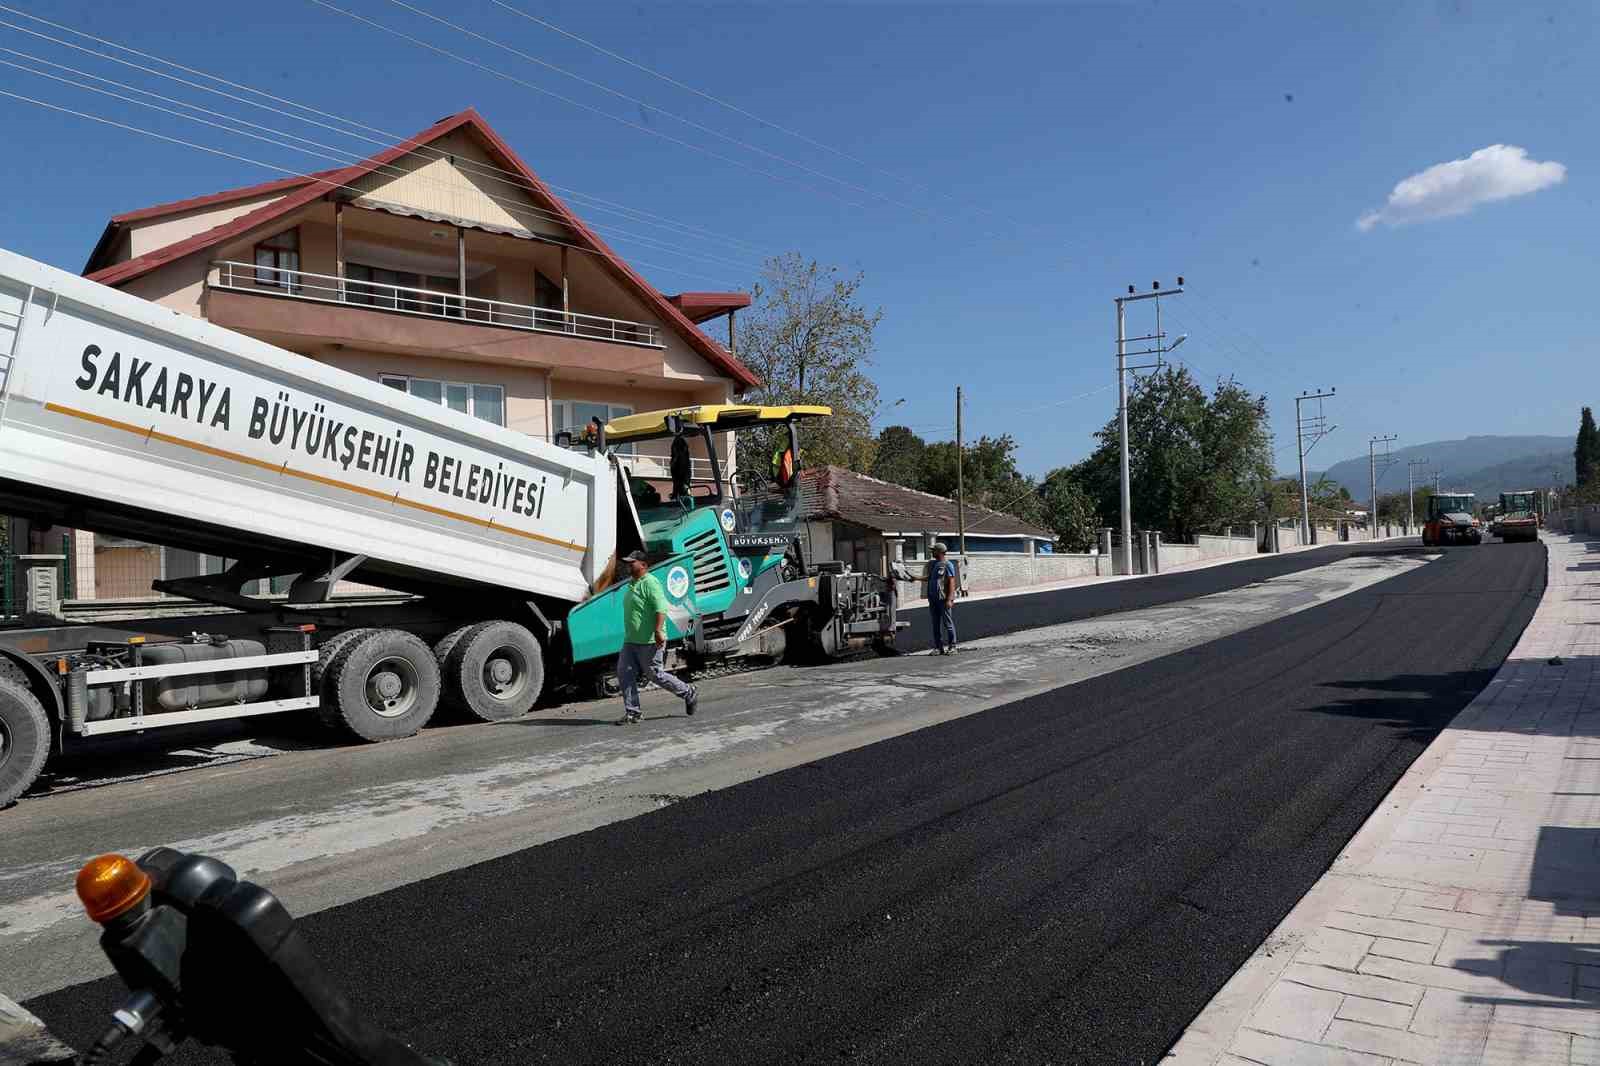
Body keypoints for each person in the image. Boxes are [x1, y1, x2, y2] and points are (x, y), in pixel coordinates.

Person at [615, 549, 698, 724]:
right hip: (631, 640)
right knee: (624, 672)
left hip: (649, 641)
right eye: (628, 562)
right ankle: (633, 713)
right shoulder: (632, 584)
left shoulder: (650, 583)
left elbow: (661, 608)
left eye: (632, 562)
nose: (629, 565)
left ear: (643, 565)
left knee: (655, 675)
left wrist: (659, 630)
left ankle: (688, 692)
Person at [926, 542, 959, 654]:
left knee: (948, 624)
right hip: (933, 599)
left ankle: (952, 646)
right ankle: (938, 647)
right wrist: (913, 577)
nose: (932, 552)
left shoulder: (947, 565)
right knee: (935, 624)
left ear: (939, 552)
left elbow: (951, 582)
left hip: (943, 600)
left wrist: (950, 599)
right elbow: (928, 578)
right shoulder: (934, 564)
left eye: (933, 550)